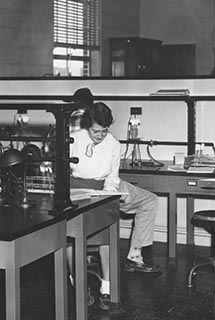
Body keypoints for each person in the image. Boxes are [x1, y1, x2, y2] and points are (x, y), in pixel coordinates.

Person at [69, 102, 161, 311]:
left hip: (102, 187)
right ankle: (78, 285)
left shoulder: (113, 144)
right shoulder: (74, 139)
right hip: (76, 187)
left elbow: (112, 177)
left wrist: (107, 196)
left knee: (107, 229)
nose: (100, 136)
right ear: (87, 125)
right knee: (69, 236)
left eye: (104, 131)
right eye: (96, 131)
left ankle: (107, 288)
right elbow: (65, 170)